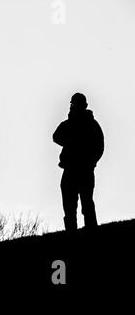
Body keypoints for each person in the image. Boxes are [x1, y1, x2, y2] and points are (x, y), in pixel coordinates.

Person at [53, 93, 104, 232]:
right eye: (72, 105)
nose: (72, 107)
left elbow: (99, 146)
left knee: (86, 204)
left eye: (74, 105)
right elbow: (56, 136)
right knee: (70, 207)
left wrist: (90, 161)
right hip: (71, 170)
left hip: (84, 170)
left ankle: (91, 231)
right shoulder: (70, 123)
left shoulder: (91, 124)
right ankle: (72, 234)